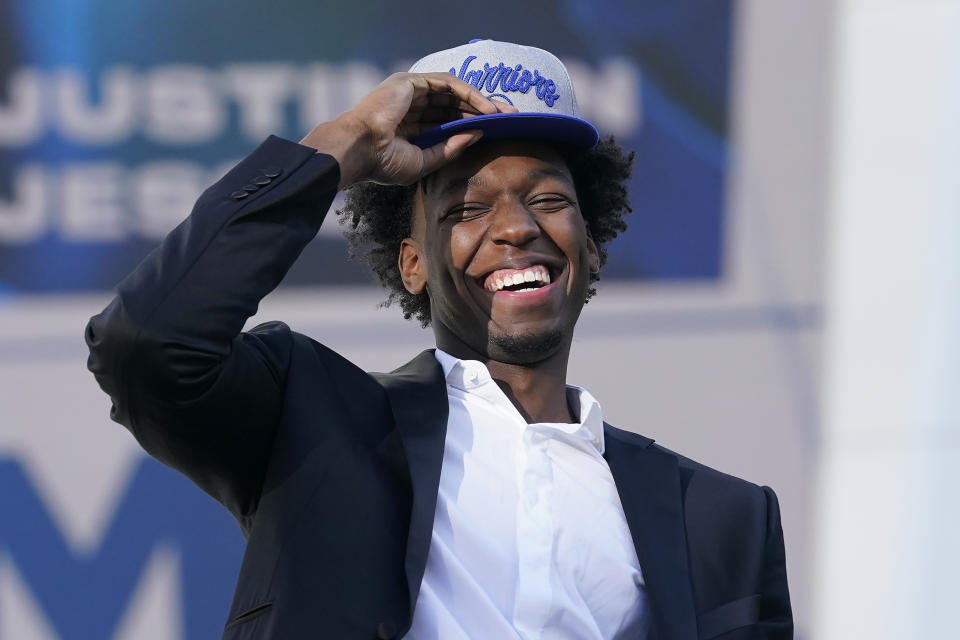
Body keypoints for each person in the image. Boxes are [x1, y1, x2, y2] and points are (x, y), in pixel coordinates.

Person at [86, 39, 792, 640]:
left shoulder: (724, 517)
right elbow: (146, 343)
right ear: (413, 263)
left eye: (548, 199)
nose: (516, 228)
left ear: (593, 244)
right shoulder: (314, 424)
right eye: (467, 207)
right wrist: (347, 145)